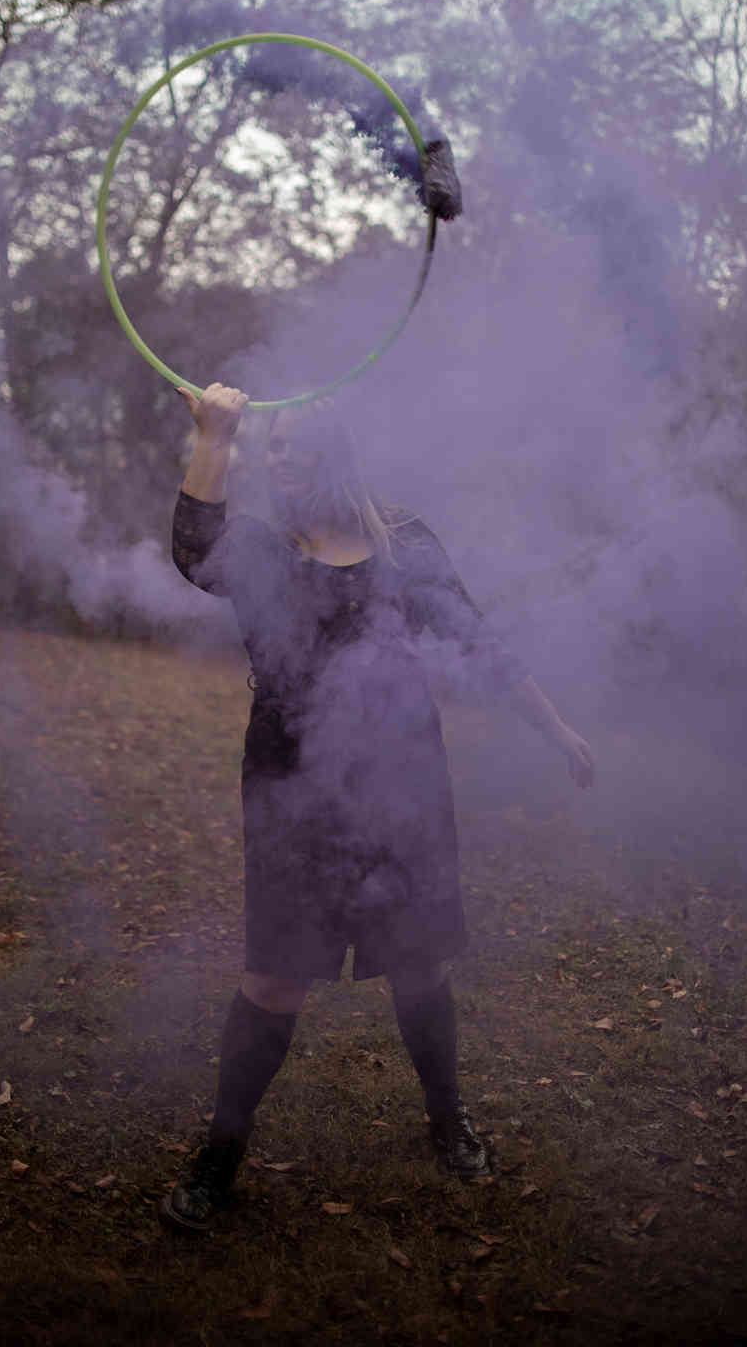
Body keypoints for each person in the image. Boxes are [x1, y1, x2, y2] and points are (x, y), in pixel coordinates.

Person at [160, 382, 595, 1231]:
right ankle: (220, 1155)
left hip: (403, 784)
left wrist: (557, 729)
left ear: (337, 448)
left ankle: (448, 1120)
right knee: (274, 979)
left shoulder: (404, 543)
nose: (280, 455)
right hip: (292, 789)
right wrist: (213, 439)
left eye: (294, 441)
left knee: (419, 963)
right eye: (273, 445)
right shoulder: (261, 550)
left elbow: (479, 641)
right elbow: (193, 549)